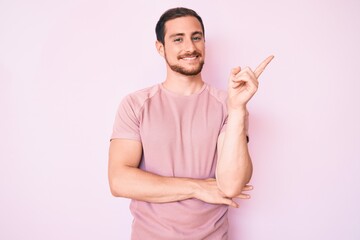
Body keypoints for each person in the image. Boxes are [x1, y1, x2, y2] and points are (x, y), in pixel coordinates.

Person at [108, 7, 273, 240]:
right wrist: (197, 187)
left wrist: (237, 109)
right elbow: (119, 181)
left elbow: (232, 185)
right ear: (160, 48)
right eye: (178, 39)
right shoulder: (136, 104)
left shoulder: (229, 105)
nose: (190, 47)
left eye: (196, 38)